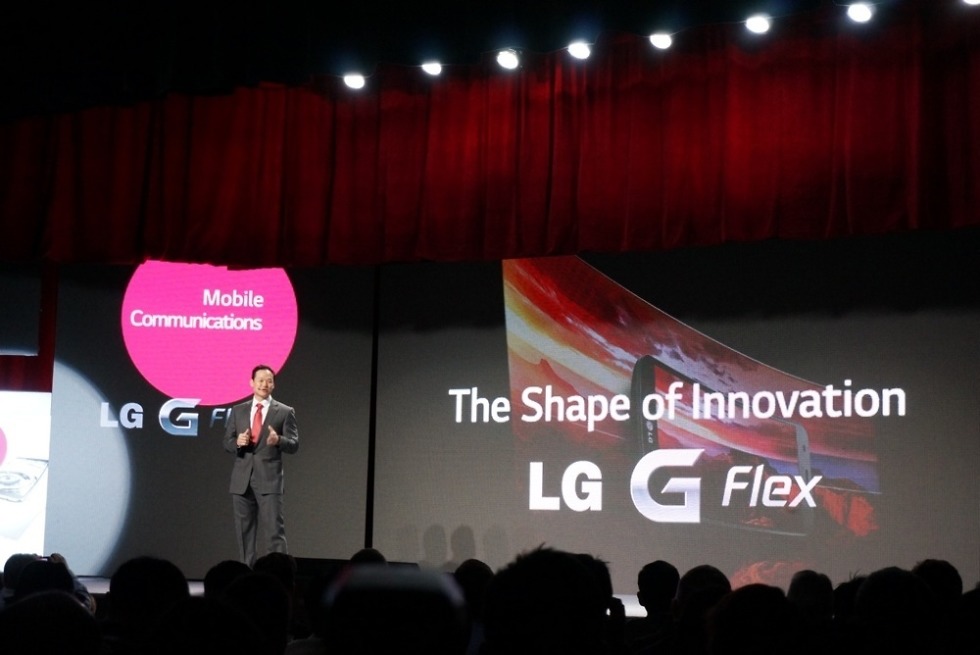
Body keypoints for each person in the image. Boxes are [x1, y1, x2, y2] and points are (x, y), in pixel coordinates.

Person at [224, 364, 300, 567]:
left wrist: (279, 440)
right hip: (242, 480)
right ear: (252, 383)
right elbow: (227, 442)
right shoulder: (238, 410)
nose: (264, 384)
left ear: (273, 385)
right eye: (260, 380)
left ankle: (279, 574)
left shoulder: (284, 412)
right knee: (244, 535)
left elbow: (294, 444)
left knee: (274, 533)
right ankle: (247, 574)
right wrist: (237, 442)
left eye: (269, 381)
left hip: (269, 480)